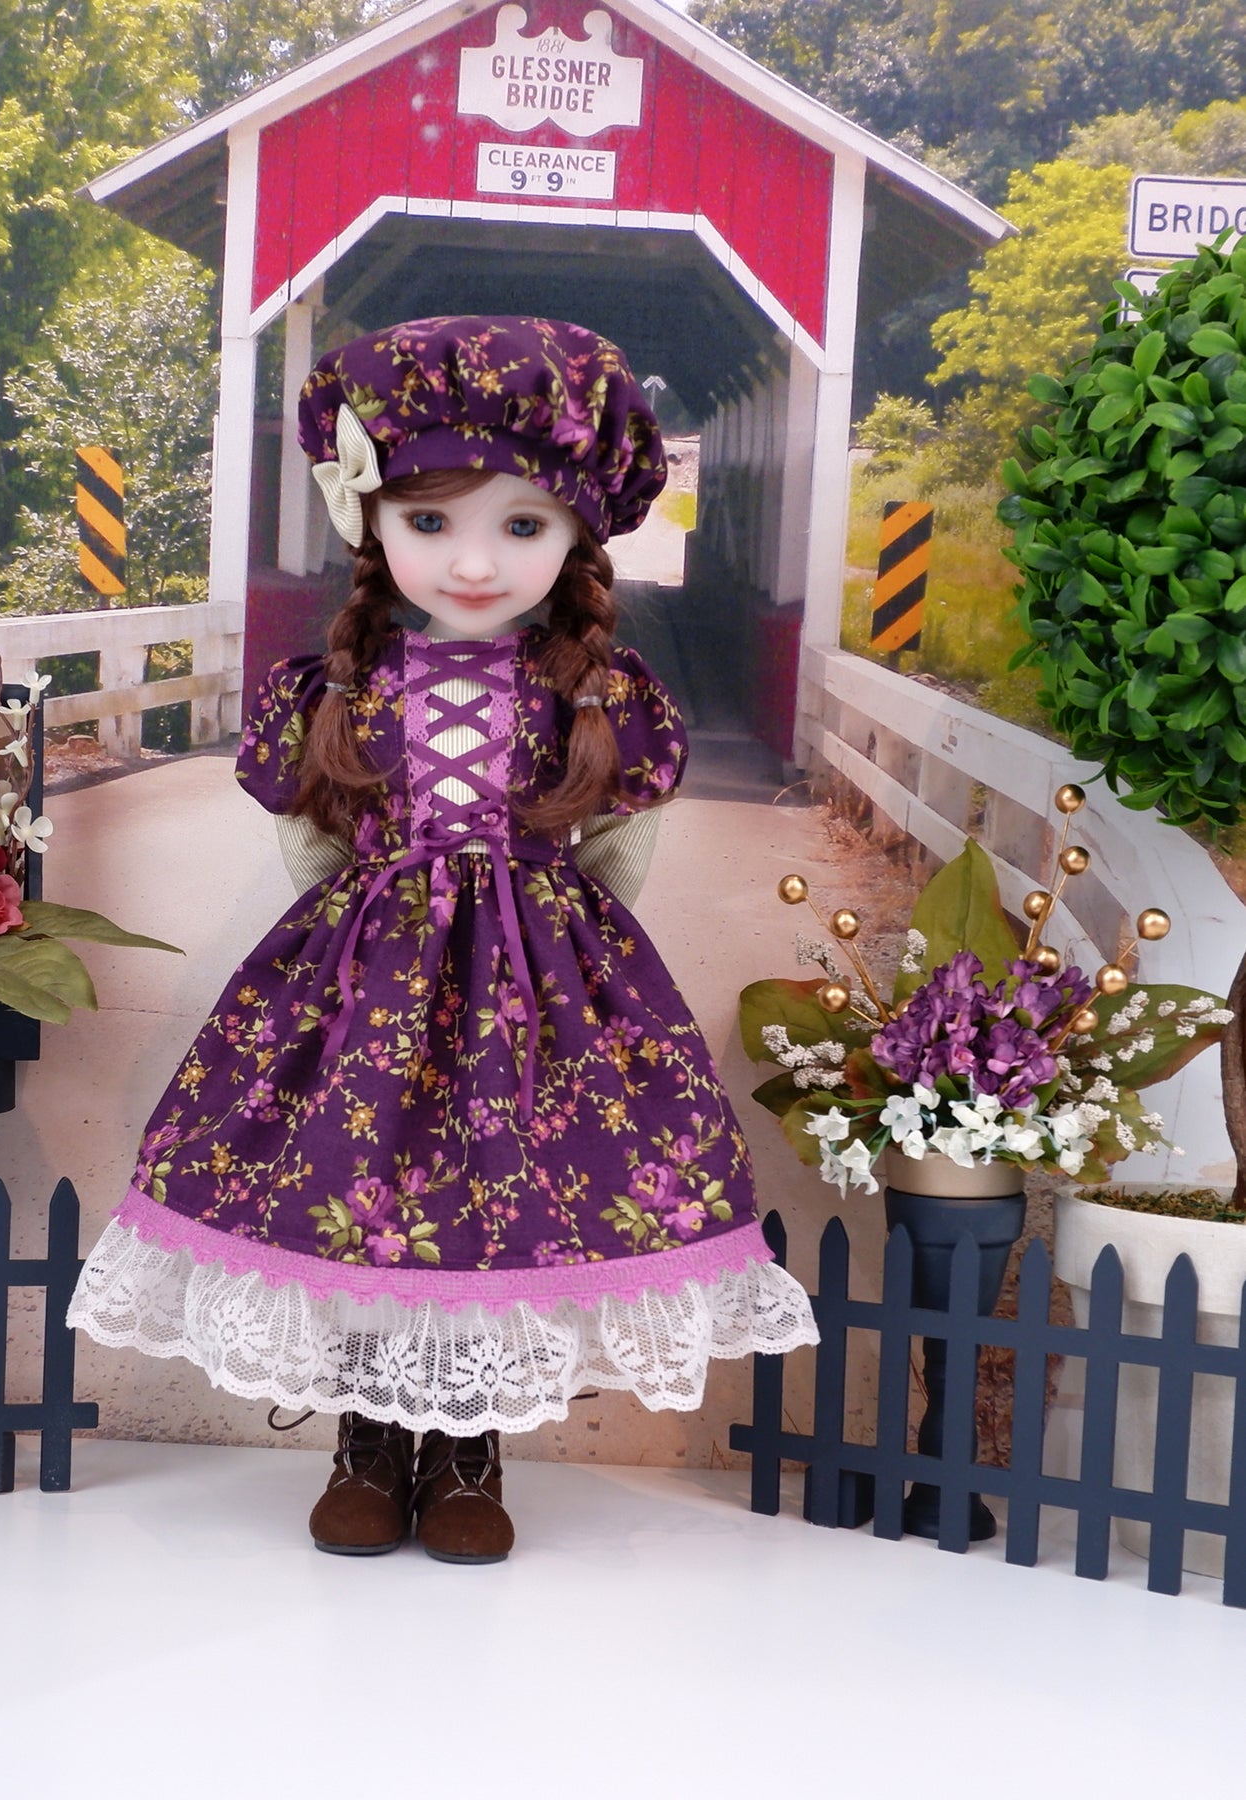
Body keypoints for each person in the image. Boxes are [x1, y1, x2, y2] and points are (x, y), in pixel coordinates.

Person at [69, 316, 817, 1562]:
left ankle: (471, 1458)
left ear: (579, 533)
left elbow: (620, 847)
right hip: (368, 984)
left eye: (522, 526)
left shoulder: (595, 693)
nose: (473, 562)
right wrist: (357, 924)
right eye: (430, 521)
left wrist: (573, 955)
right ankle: (367, 1444)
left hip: (541, 984)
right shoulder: (338, 687)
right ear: (372, 522)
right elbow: (311, 842)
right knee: (361, 1193)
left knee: (504, 1198)